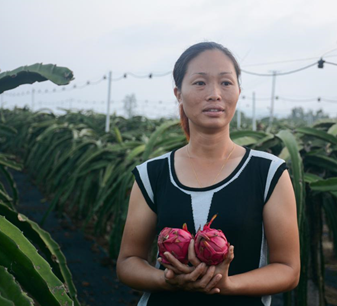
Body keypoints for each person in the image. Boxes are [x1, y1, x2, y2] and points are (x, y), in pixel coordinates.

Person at [116, 42, 300, 306]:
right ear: (178, 93)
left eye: (226, 83)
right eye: (200, 83)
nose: (215, 94)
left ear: (238, 91)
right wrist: (166, 280)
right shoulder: (151, 174)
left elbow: (288, 269)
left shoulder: (269, 172)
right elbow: (127, 262)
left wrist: (227, 285)